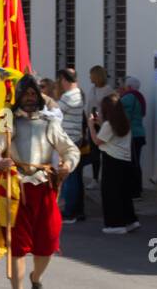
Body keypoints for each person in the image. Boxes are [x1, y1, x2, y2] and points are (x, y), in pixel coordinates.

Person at [0, 74, 80, 289]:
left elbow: (71, 149)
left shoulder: (49, 123)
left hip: (44, 188)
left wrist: (67, 164)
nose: (29, 98)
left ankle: (36, 278)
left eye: (33, 94)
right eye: (25, 94)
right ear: (18, 97)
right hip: (16, 189)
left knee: (48, 242)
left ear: (39, 97)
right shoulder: (9, 122)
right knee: (18, 245)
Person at [90, 93, 139, 235]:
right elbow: (111, 134)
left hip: (111, 160)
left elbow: (97, 141)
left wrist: (91, 126)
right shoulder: (124, 122)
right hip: (125, 160)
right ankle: (131, 221)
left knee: (111, 193)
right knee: (124, 193)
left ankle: (115, 224)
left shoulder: (108, 124)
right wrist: (100, 123)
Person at [55, 68, 89, 223]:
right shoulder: (79, 93)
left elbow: (53, 113)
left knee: (69, 176)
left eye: (61, 80)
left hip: (69, 139)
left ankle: (70, 212)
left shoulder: (68, 96)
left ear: (64, 80)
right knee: (76, 177)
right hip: (76, 137)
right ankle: (78, 210)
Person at [119, 77, 147, 199]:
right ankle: (137, 189)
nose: (122, 87)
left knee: (132, 163)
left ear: (129, 87)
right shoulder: (138, 96)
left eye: (124, 85)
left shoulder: (129, 97)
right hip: (138, 134)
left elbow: (119, 111)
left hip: (132, 135)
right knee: (135, 163)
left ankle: (134, 192)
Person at [85, 65, 111, 186]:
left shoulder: (107, 90)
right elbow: (89, 105)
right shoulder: (92, 89)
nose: (89, 77)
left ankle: (106, 178)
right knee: (94, 152)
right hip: (92, 124)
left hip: (103, 125)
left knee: (105, 151)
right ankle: (95, 178)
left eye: (91, 74)